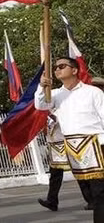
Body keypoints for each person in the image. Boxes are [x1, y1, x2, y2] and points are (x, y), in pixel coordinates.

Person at [35, 57, 104, 221]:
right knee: (93, 191)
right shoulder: (56, 94)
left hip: (96, 144)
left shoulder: (93, 92)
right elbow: (40, 105)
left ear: (74, 70)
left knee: (100, 191)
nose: (57, 69)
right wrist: (41, 86)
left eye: (62, 66)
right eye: (56, 67)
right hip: (75, 147)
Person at [39, 113, 94, 211]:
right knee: (55, 176)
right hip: (55, 147)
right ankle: (52, 201)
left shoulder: (61, 110)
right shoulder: (46, 114)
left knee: (79, 172)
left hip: (67, 143)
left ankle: (91, 200)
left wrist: (53, 116)